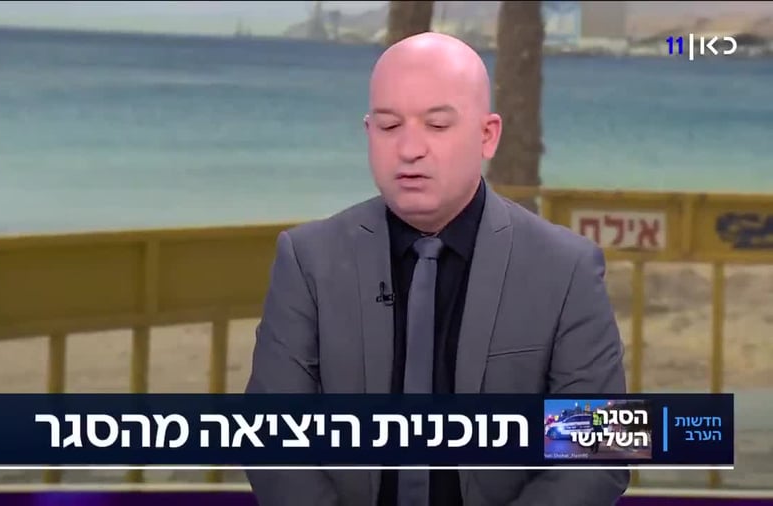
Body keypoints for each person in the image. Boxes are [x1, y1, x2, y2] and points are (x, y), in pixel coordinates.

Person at [245, 32, 629, 506]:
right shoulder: (307, 260)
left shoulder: (567, 268)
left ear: (488, 135)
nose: (410, 148)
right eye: (389, 126)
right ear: (368, 133)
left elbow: (600, 456)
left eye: (437, 125)